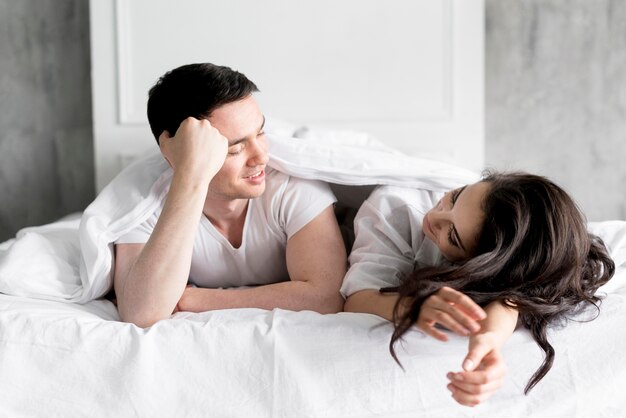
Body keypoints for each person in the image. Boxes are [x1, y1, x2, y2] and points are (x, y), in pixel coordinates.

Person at [343, 172, 615, 407]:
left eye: (452, 237)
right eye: (455, 196)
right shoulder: (394, 209)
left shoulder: (519, 261)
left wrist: (488, 343)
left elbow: (513, 300)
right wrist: (413, 306)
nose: (435, 217)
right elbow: (356, 300)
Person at [112, 63, 347, 327]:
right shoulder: (143, 202)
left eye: (260, 133)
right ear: (177, 153)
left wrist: (195, 300)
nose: (261, 157)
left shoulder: (292, 186)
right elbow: (142, 312)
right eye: (235, 149)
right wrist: (189, 177)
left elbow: (326, 298)